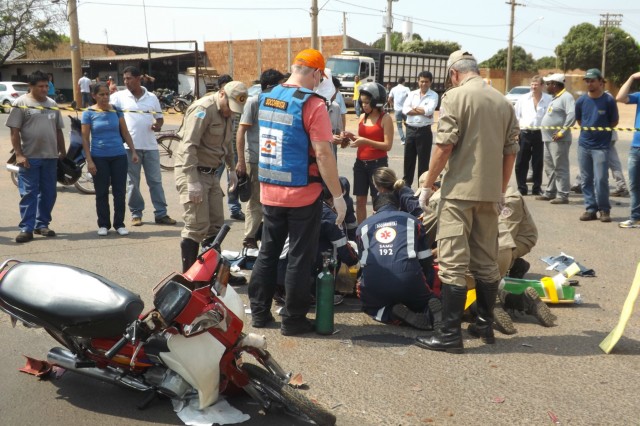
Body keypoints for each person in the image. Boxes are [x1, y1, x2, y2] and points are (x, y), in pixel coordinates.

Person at [415, 50, 519, 353]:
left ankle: (449, 335)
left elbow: (444, 145)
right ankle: (484, 325)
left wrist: (428, 184)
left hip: (459, 193)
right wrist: (500, 191)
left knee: (452, 263)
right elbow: (511, 150)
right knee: (486, 261)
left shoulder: (454, 97)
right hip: (489, 194)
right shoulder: (502, 101)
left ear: (453, 74)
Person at [247, 48, 347, 336]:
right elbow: (324, 155)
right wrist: (338, 197)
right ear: (316, 72)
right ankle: (293, 320)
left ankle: (259, 313)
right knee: (300, 257)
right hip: (302, 193)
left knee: (268, 252)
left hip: (269, 190)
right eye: (320, 77)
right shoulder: (312, 104)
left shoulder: (267, 97)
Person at [175, 80, 248, 274]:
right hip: (193, 171)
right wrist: (192, 181)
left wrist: (231, 169)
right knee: (196, 226)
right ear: (222, 94)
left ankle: (212, 276)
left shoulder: (228, 112)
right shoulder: (203, 109)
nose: (230, 112)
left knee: (216, 225)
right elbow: (188, 146)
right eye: (229, 107)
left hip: (212, 173)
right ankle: (189, 279)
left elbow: (225, 144)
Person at [356, 193, 442, 330]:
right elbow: (426, 259)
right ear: (399, 207)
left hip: (375, 282)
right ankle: (427, 307)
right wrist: (428, 287)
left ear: (374, 210)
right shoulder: (412, 220)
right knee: (424, 301)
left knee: (370, 307)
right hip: (408, 278)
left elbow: (363, 263)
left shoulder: (363, 227)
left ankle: (392, 313)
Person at [110, 66, 177, 227]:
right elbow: (106, 110)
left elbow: (159, 118)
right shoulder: (119, 97)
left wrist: (158, 125)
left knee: (155, 181)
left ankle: (161, 213)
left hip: (150, 147)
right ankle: (136, 214)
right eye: (124, 79)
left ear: (138, 78)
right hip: (129, 148)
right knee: (132, 183)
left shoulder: (152, 97)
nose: (126, 82)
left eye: (129, 78)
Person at [7, 70, 66, 243]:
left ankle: (42, 225)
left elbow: (58, 130)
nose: (44, 89)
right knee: (29, 193)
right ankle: (26, 228)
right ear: (30, 87)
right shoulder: (21, 103)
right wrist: (18, 154)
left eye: (46, 86)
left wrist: (62, 151)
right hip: (29, 157)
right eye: (40, 86)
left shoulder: (52, 103)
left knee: (49, 193)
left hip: (50, 157)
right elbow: (14, 131)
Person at [81, 83, 139, 236]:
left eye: (107, 94)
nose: (105, 97)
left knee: (119, 191)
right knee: (101, 192)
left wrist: (133, 151)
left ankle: (119, 223)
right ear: (94, 96)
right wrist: (89, 160)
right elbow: (85, 139)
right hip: (99, 157)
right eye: (101, 94)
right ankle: (103, 224)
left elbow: (125, 133)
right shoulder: (88, 113)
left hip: (119, 156)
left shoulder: (116, 111)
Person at [236, 68, 285, 249]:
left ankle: (263, 235)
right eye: (281, 85)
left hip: (274, 160)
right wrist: (241, 161)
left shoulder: (279, 103)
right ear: (270, 86)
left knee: (271, 201)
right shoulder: (254, 102)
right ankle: (249, 238)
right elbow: (241, 132)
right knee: (255, 200)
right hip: (255, 160)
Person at [343, 82, 393, 224]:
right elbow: (361, 139)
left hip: (377, 164)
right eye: (362, 102)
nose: (364, 105)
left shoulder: (385, 118)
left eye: (367, 102)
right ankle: (361, 231)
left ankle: (377, 229)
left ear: (376, 101)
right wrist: (350, 136)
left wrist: (365, 141)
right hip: (360, 164)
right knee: (360, 201)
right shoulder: (362, 117)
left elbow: (387, 146)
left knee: (379, 201)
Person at [575, 68, 619, 222]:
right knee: (586, 180)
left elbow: (614, 122)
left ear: (601, 82)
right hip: (584, 145)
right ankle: (590, 209)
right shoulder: (581, 101)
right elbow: (580, 121)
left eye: (592, 80)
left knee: (600, 179)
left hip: (601, 147)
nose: (589, 83)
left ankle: (604, 210)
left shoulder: (608, 100)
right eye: (587, 80)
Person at [536, 73, 576, 205]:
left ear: (555, 84)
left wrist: (562, 131)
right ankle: (550, 192)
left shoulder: (566, 97)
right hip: (548, 138)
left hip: (558, 139)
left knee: (560, 167)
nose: (547, 86)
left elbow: (572, 114)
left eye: (548, 84)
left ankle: (563, 195)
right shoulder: (555, 98)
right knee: (550, 167)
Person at [514, 76, 552, 196]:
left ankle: (537, 188)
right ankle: (521, 188)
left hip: (540, 134)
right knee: (521, 162)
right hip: (524, 133)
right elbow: (516, 116)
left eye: (536, 85)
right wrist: (516, 132)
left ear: (542, 86)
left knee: (538, 162)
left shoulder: (549, 99)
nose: (533, 87)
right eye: (532, 84)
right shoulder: (523, 99)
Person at [215, 74, 245, 221]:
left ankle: (234, 208)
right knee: (212, 180)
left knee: (234, 182)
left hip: (232, 150)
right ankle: (212, 210)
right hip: (216, 151)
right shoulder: (212, 106)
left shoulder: (237, 104)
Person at [402, 71, 439, 187]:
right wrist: (423, 111)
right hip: (410, 130)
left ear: (431, 82)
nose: (424, 84)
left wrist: (414, 109)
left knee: (423, 164)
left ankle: (421, 191)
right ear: (418, 81)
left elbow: (430, 111)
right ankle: (406, 190)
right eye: (422, 81)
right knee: (408, 161)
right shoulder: (411, 94)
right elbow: (405, 110)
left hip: (424, 131)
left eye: (426, 82)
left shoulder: (434, 95)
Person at [616, 71, 640, 228]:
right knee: (634, 185)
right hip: (636, 147)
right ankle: (635, 217)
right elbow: (620, 98)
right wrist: (631, 77)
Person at [388, 77, 410, 145]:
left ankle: (403, 140)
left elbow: (389, 99)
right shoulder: (406, 89)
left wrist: (393, 104)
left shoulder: (393, 89)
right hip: (405, 110)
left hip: (397, 110)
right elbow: (410, 97)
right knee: (408, 125)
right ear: (403, 82)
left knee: (399, 126)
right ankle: (409, 138)